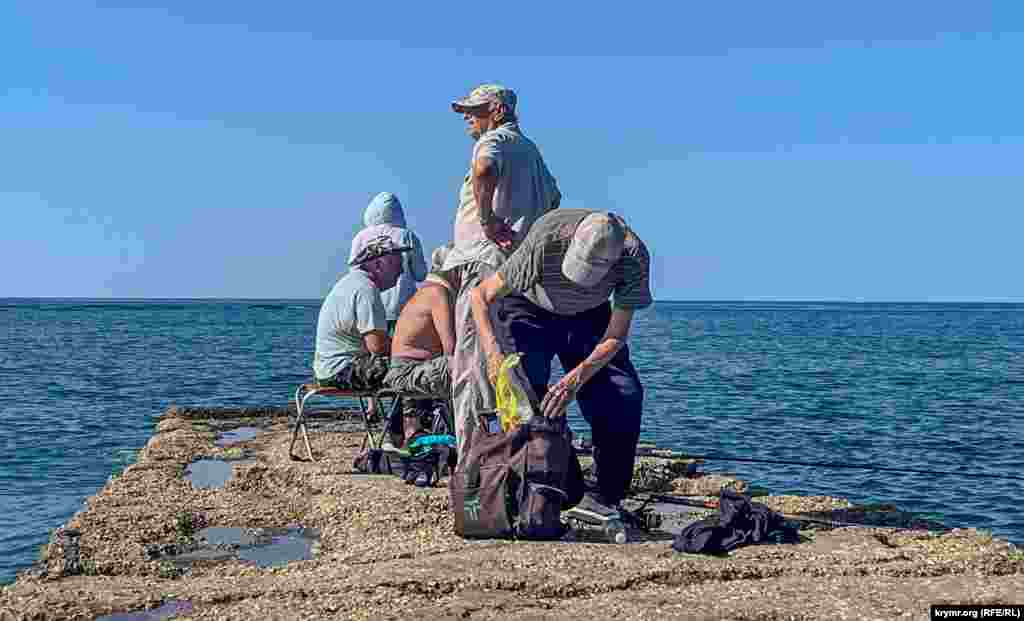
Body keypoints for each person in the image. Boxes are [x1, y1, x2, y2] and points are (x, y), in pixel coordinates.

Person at [468, 209, 652, 520]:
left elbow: (616, 335)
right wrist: (493, 355)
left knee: (623, 394)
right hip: (530, 308)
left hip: (590, 315)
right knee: (526, 399)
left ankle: (605, 496)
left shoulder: (634, 259)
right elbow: (480, 296)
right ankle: (549, 487)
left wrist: (574, 380)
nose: (579, 282)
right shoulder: (547, 236)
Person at [443, 84, 562, 458]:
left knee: (473, 365)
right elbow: (554, 199)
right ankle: (512, 452)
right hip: (517, 272)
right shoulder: (531, 151)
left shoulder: (494, 140)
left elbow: (484, 168)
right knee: (509, 363)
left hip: (485, 263)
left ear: (497, 110)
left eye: (474, 110)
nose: (467, 117)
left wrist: (488, 219)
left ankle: (474, 459)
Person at [381, 244, 457, 450]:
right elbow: (451, 348)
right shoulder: (438, 294)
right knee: (467, 365)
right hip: (408, 373)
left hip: (408, 370)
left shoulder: (426, 292)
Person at [313, 235, 410, 392]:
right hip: (344, 371)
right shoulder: (366, 289)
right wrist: (412, 349)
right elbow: (378, 347)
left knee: (411, 366)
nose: (401, 270)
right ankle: (414, 409)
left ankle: (404, 408)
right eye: (397, 263)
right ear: (378, 264)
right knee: (417, 371)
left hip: (329, 370)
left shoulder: (351, 282)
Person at [349, 192, 428, 333]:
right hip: (402, 308)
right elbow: (420, 274)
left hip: (368, 307)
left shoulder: (360, 237)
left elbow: (354, 274)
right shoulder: (407, 235)